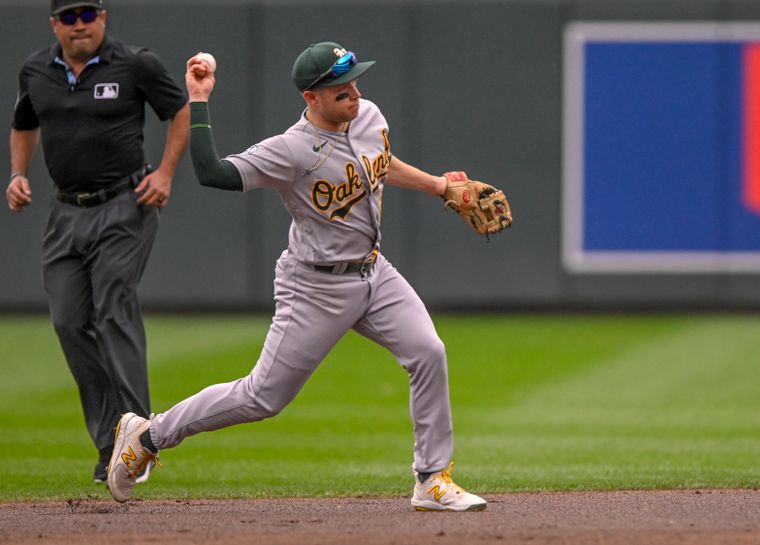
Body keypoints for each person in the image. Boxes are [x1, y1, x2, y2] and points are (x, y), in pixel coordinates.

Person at [107, 42, 487, 512]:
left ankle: (432, 479)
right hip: (315, 286)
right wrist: (199, 98)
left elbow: (379, 166)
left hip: (373, 270)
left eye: (353, 79)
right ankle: (150, 433)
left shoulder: (369, 116)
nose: (352, 92)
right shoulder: (290, 150)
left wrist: (440, 186)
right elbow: (212, 173)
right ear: (311, 97)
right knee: (261, 398)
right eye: (338, 87)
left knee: (428, 351)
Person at [7, 0, 189, 484]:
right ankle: (113, 442)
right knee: (68, 321)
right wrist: (18, 173)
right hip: (65, 210)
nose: (80, 24)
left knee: (112, 306)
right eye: (69, 16)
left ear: (103, 18)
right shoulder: (35, 70)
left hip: (124, 205)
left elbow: (179, 111)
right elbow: (25, 124)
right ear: (54, 25)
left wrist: (166, 174)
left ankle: (141, 442)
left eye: (88, 14)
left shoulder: (135, 63)